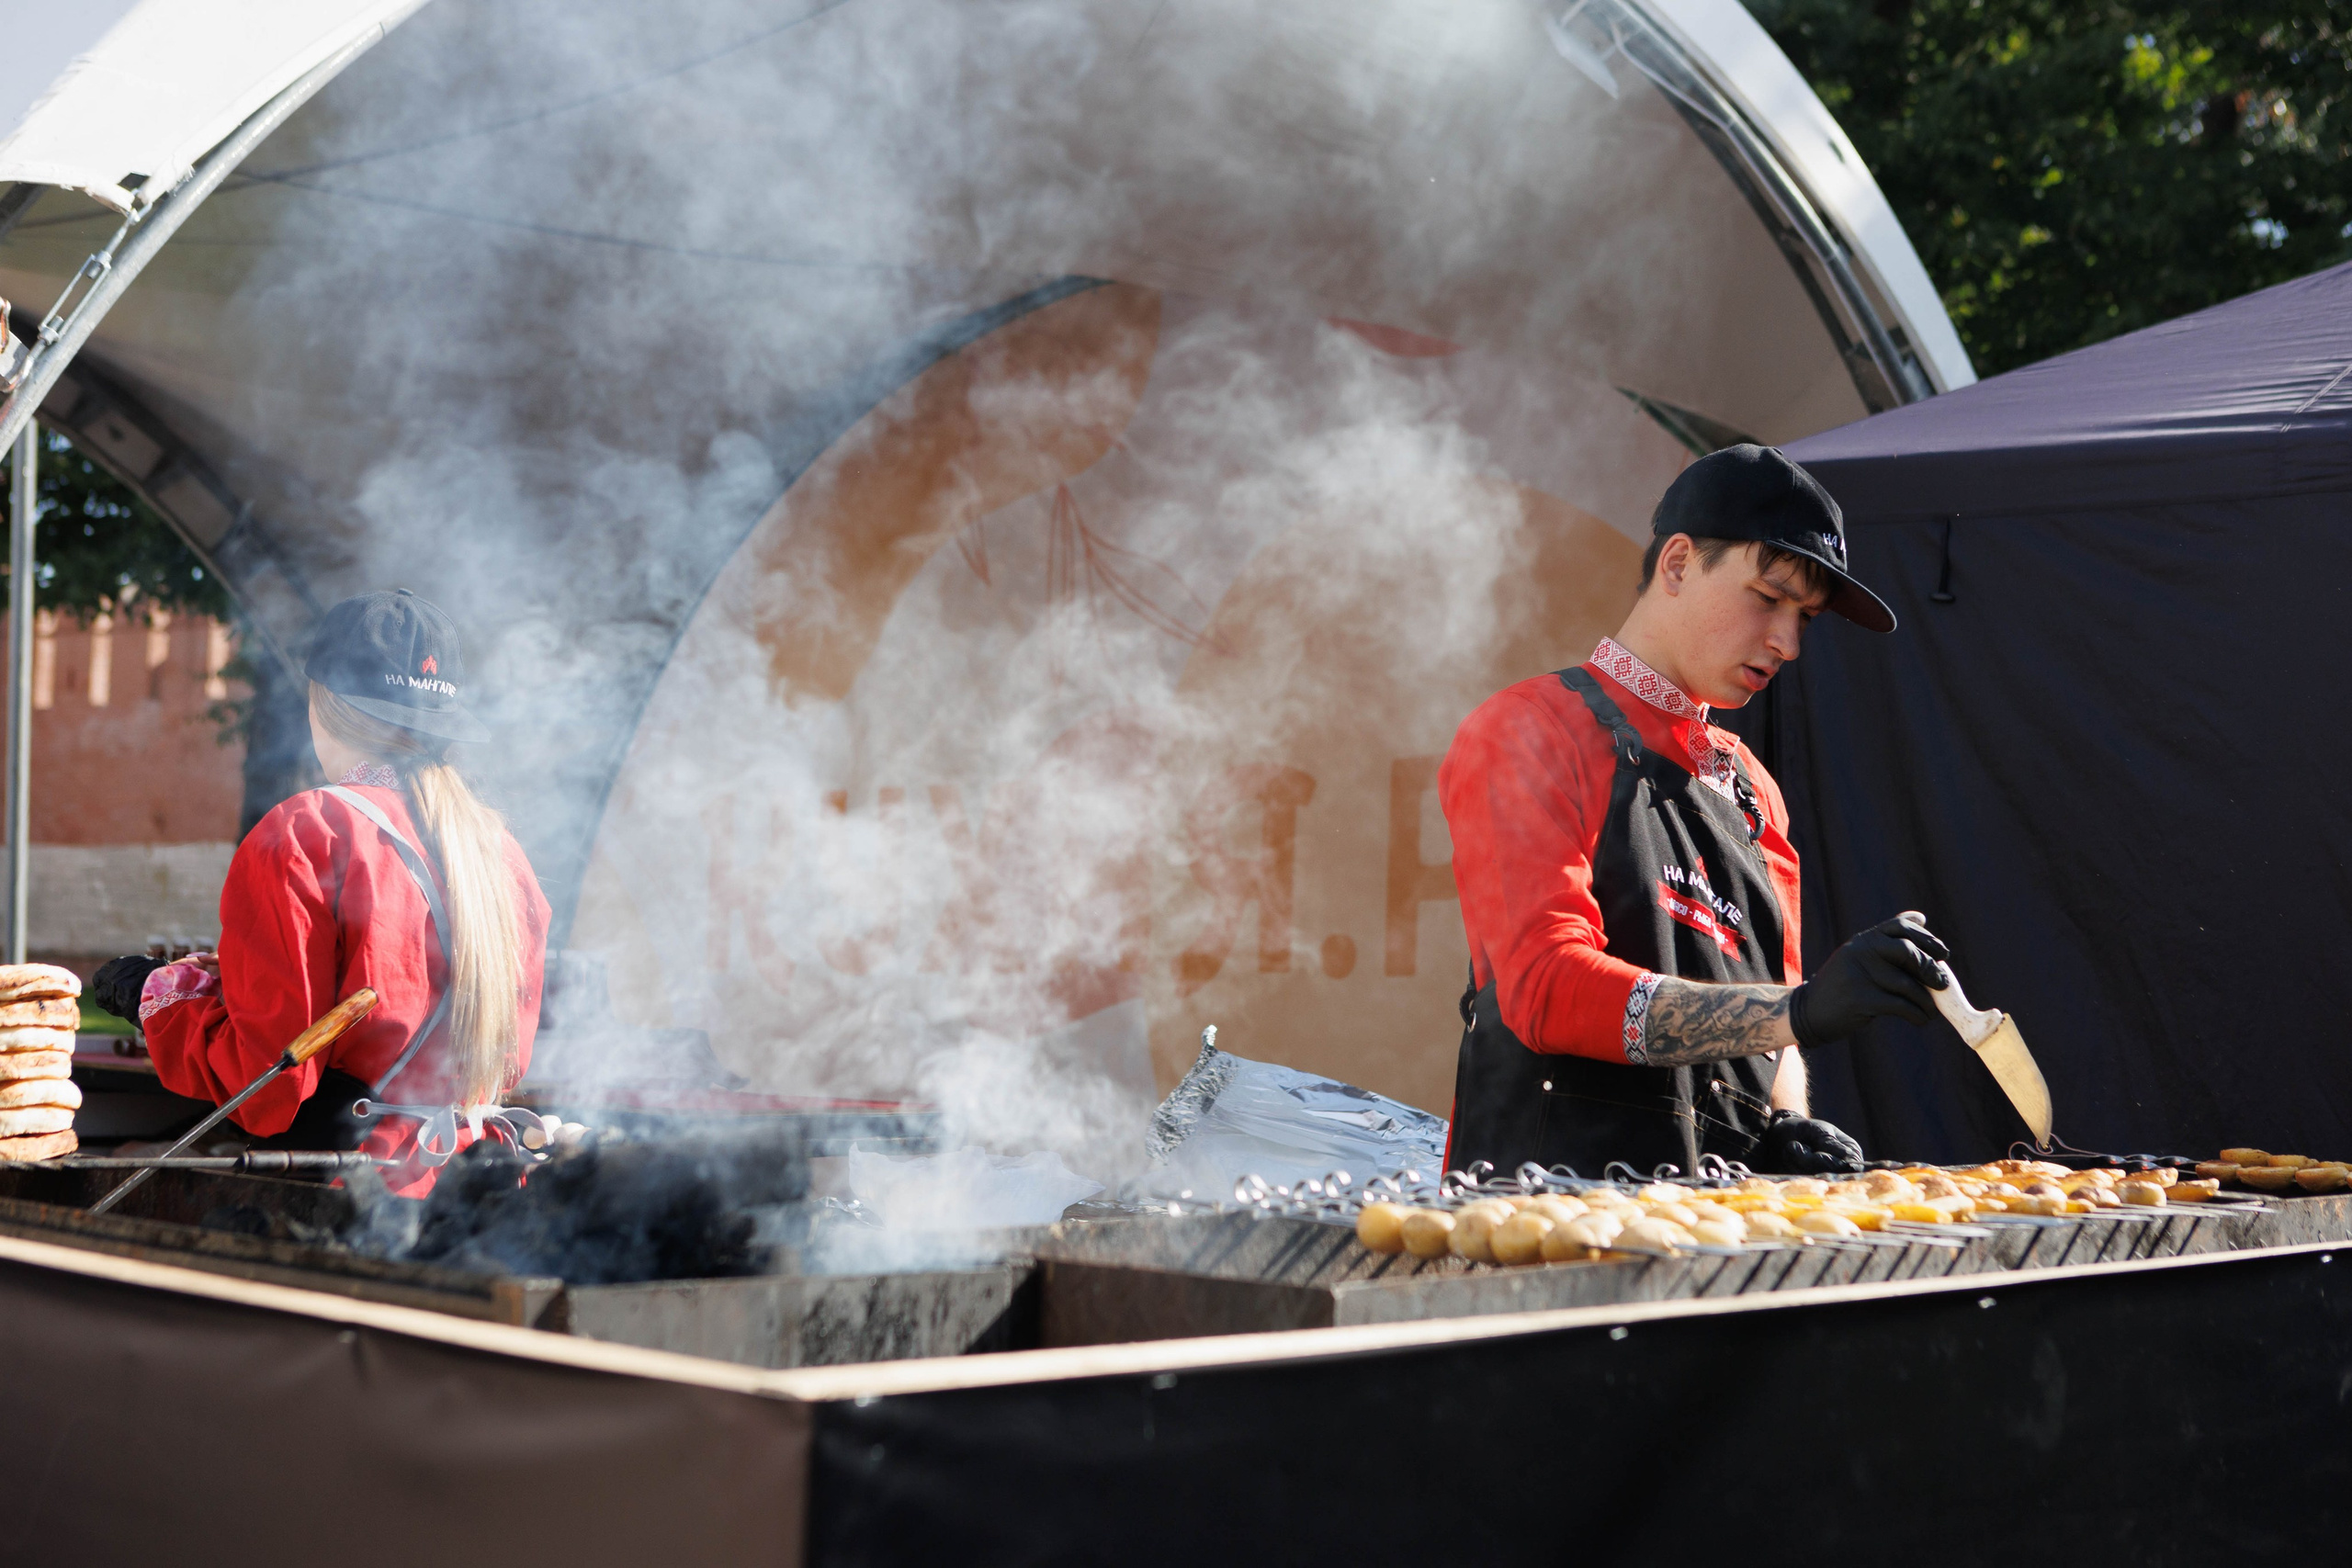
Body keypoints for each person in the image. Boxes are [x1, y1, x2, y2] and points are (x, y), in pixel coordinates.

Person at [1442, 445, 1950, 1179]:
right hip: (1542, 1240)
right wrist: (1798, 1011)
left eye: (1805, 616)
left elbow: (1776, 1029)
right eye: (1769, 597)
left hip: (1713, 1242)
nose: (1788, 642)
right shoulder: (1529, 726)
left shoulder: (1753, 788)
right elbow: (1545, 989)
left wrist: (1789, 1119)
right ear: (1677, 564)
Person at [89, 590, 550, 1195]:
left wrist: (159, 997)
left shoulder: (307, 833)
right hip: (479, 1192)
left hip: (357, 1206)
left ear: (324, 704)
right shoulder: (503, 851)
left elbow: (269, 1078)